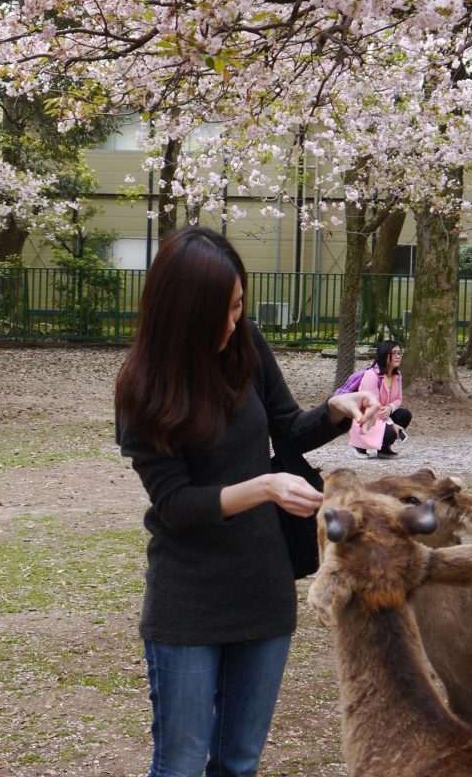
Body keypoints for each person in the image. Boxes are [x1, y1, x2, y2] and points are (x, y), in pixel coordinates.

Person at [114, 226, 380, 777]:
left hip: (262, 585)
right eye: (224, 311)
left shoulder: (244, 344)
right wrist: (264, 487)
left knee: (239, 762)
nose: (235, 322)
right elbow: (176, 506)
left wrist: (336, 408)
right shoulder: (142, 388)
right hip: (188, 599)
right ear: (182, 313)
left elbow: (288, 429)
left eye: (239, 306)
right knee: (183, 763)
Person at [349, 339, 412, 459]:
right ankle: (360, 445)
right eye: (394, 353)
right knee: (391, 432)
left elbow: (398, 399)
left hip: (382, 414)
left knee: (404, 415)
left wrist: (390, 407)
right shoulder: (371, 375)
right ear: (384, 354)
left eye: (399, 353)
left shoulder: (397, 375)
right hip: (367, 417)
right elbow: (373, 407)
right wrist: (392, 424)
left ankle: (384, 448)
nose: (398, 356)